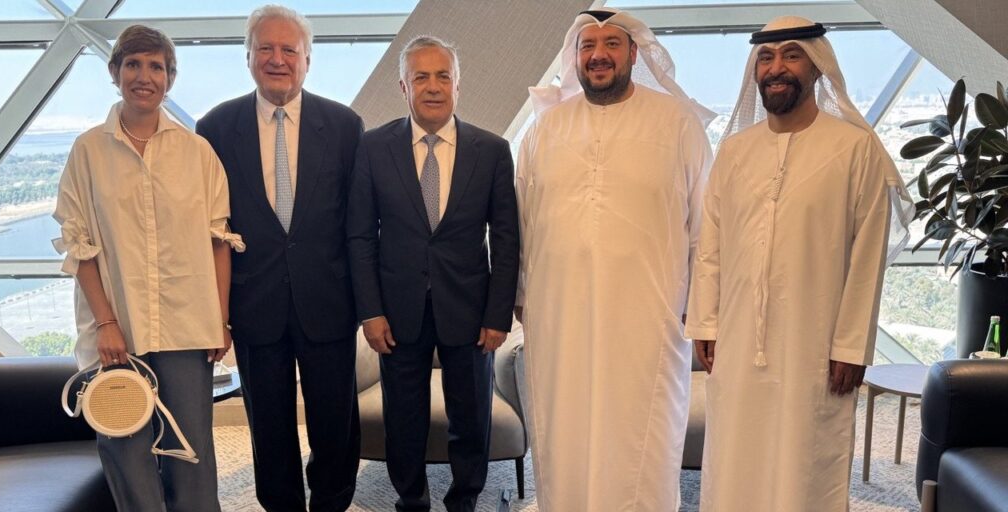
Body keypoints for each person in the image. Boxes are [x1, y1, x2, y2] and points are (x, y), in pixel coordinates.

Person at [684, 15, 914, 511]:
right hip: (738, 340)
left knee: (807, 460)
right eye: (766, 58)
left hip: (817, 344)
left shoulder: (854, 149)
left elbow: (868, 255)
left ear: (816, 66)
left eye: (791, 55)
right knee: (736, 457)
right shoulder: (735, 151)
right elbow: (711, 245)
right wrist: (705, 322)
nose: (776, 68)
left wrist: (851, 345)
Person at [515, 8, 715, 511]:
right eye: (588, 46)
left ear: (633, 54)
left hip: (648, 319)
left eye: (611, 44)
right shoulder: (544, 129)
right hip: (560, 319)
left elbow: (707, 226)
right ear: (575, 57)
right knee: (565, 430)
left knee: (641, 438)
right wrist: (520, 296)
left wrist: (704, 309)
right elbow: (521, 223)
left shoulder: (677, 122)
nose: (598, 55)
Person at [53, 24, 242, 512]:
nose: (144, 76)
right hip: (118, 328)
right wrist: (106, 323)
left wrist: (220, 321)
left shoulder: (198, 153)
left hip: (187, 325)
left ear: (170, 78)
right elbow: (80, 246)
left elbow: (219, 243)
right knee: (125, 447)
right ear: (115, 72)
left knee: (191, 449)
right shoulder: (88, 152)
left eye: (156, 66)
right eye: (133, 65)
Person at [195, 5, 363, 511]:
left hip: (329, 301)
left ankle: (332, 502)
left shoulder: (345, 125)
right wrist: (215, 313)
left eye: (289, 49)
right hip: (255, 305)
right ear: (247, 56)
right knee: (268, 428)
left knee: (335, 425)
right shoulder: (214, 127)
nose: (277, 59)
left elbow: (360, 224)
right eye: (265, 48)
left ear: (308, 59)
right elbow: (208, 229)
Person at [347, 36, 519, 512]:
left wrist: (498, 315)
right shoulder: (373, 147)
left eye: (443, 76)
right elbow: (360, 237)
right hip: (397, 312)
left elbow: (506, 240)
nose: (433, 86)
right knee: (404, 418)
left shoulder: (492, 150)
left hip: (470, 311)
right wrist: (370, 312)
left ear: (458, 85)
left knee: (471, 418)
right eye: (420, 77)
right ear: (404, 87)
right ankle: (410, 500)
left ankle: (464, 500)